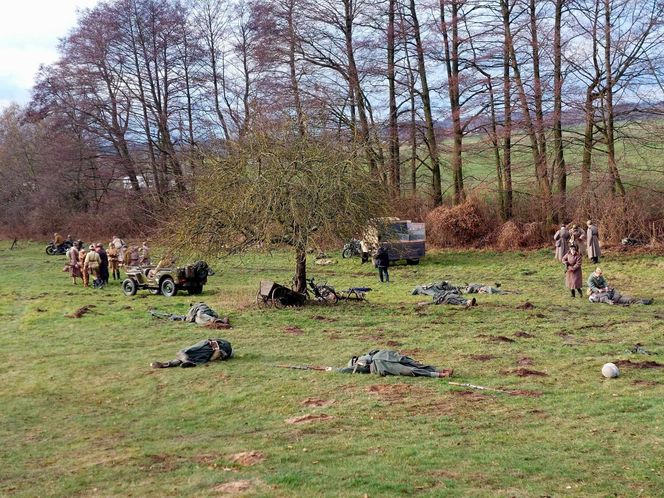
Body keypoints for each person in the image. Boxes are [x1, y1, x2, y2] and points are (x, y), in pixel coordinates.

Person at [338, 349, 453, 378]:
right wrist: (330, 369)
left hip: (384, 355)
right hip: (381, 365)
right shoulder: (357, 366)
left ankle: (440, 370)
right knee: (409, 370)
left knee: (413, 363)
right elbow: (344, 370)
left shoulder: (369, 353)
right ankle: (439, 374)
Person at [151, 338, 233, 368]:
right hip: (207, 352)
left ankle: (167, 364)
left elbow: (216, 350)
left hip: (208, 350)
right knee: (186, 354)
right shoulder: (223, 346)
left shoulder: (223, 345)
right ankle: (167, 364)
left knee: (183, 353)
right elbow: (216, 351)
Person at [587, 268, 653, 305]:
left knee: (630, 299)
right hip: (615, 299)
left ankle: (644, 301)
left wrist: (606, 287)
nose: (600, 275)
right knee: (628, 300)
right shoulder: (596, 294)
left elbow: (604, 281)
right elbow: (592, 287)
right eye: (599, 274)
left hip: (616, 296)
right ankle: (644, 302)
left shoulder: (600, 277)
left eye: (600, 274)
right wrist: (598, 290)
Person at [149, 302, 230, 327]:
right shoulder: (191, 317)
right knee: (201, 321)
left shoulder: (200, 306)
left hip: (203, 311)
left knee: (200, 314)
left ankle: (219, 321)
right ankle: (219, 322)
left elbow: (211, 312)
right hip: (198, 317)